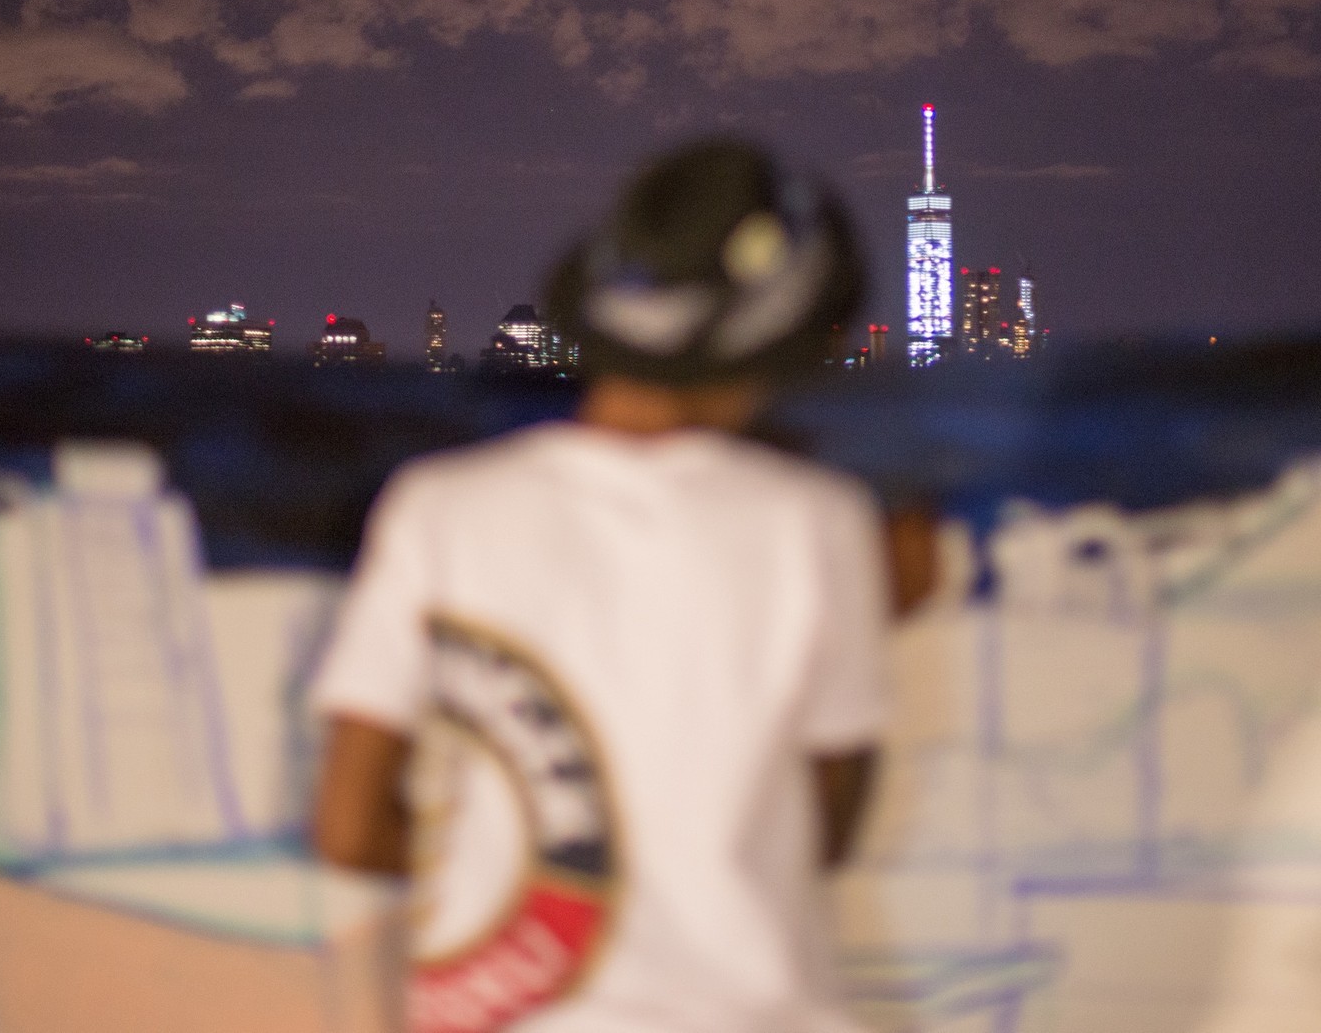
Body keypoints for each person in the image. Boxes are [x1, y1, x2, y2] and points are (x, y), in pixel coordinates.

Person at [310, 138, 890, 1032]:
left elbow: (348, 828)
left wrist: (510, 872)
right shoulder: (815, 522)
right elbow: (829, 828)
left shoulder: (440, 509)